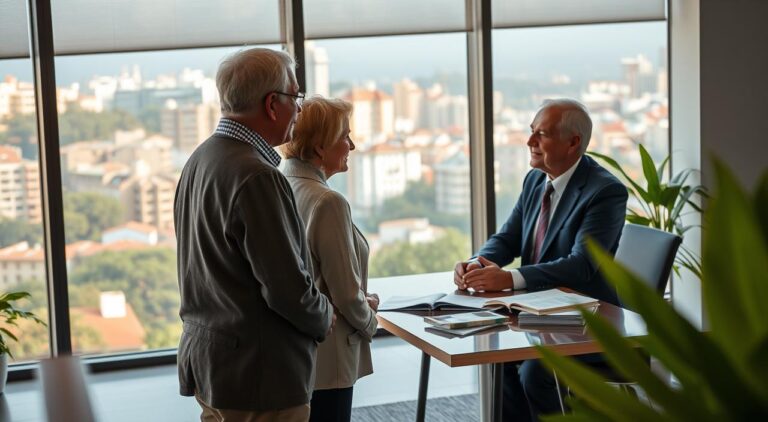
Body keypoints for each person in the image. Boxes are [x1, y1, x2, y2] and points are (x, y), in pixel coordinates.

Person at [174, 48, 334, 422]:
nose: (299, 108)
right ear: (272, 104)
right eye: (296, 97)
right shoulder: (257, 176)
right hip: (259, 378)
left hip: (212, 362)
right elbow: (286, 288)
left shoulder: (201, 158)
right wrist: (324, 314)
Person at [453, 98, 628, 421]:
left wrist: (509, 279)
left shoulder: (605, 192)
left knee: (535, 371)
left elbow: (582, 265)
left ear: (573, 142)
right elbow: (508, 237)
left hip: (586, 325)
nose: (530, 141)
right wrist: (478, 262)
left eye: (542, 134)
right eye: (532, 132)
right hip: (537, 315)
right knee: (501, 358)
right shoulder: (535, 180)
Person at [281, 97, 379, 422]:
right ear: (321, 148)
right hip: (329, 358)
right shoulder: (328, 202)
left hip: (295, 356)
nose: (351, 144)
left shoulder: (279, 184)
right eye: (345, 136)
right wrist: (370, 322)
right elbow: (345, 294)